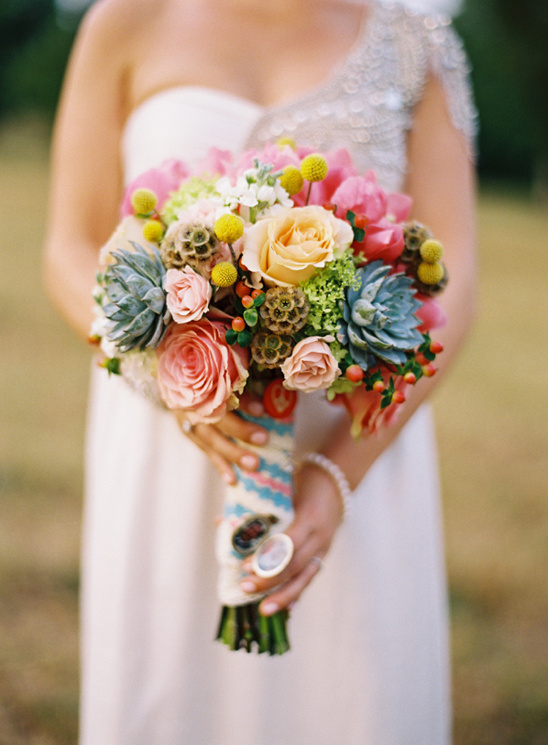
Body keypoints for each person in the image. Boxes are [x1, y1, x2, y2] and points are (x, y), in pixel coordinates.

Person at [44, 0, 477, 743]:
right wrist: (171, 377)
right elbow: (69, 245)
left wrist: (338, 475)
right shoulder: (123, 21)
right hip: (173, 442)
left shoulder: (416, 43)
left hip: (352, 444)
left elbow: (455, 277)